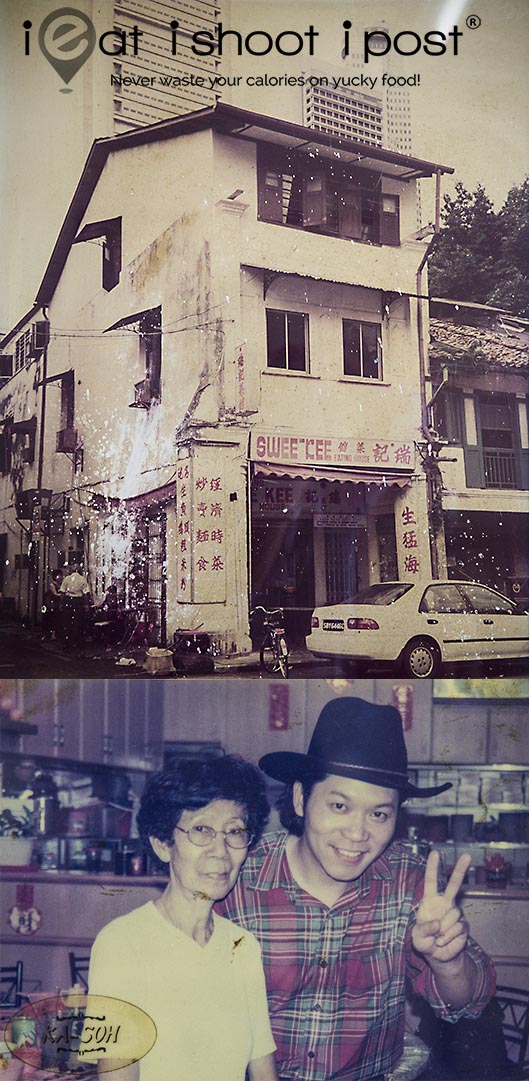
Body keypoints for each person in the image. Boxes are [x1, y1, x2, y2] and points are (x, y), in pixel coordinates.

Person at [219, 697, 496, 1081]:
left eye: (379, 814)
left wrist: (447, 962)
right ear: (301, 798)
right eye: (339, 806)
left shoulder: (408, 881)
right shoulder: (238, 878)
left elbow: (468, 1002)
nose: (357, 833)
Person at [87, 756, 278, 1081]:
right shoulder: (120, 944)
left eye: (234, 831)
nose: (220, 850)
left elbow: (263, 1069)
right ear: (163, 845)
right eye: (201, 830)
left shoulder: (243, 946)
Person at [59, 562, 90, 645]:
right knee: (77, 621)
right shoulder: (82, 579)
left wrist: (61, 603)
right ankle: (75, 641)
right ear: (79, 570)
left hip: (68, 601)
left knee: (67, 621)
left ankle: (66, 640)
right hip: (78, 601)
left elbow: (62, 592)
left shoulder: (67, 579)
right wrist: (86, 604)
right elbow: (86, 593)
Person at [41, 570, 62, 640]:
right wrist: (63, 595)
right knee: (50, 618)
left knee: (56, 619)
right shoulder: (52, 585)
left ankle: (54, 634)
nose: (60, 577)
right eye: (59, 576)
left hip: (57, 604)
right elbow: (55, 594)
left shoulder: (61, 584)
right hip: (51, 604)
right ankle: (48, 634)